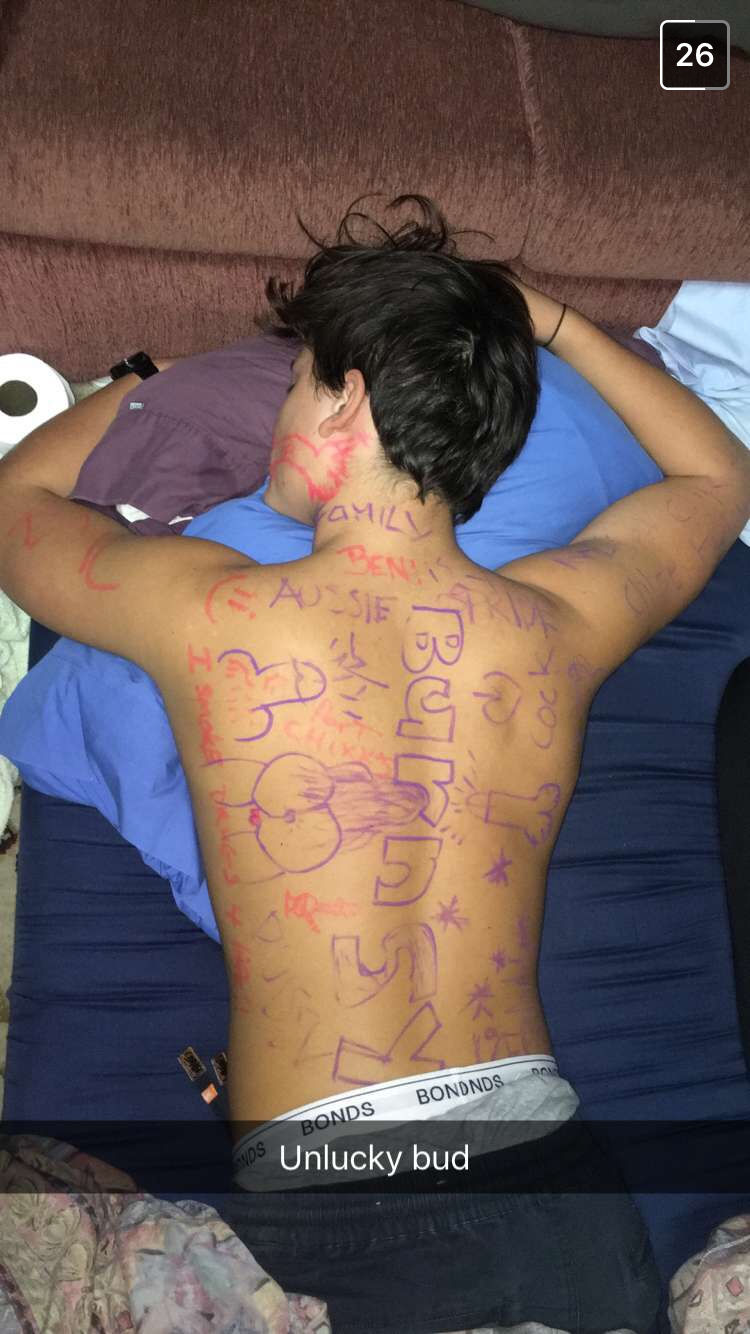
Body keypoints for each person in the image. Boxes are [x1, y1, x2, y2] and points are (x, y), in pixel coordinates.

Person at [1, 194, 748, 1334]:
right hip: (556, 1192)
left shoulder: (209, 610)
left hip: (338, 1196)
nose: (274, 413)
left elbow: (17, 500)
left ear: (345, 399)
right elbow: (717, 480)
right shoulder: (557, 624)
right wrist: (551, 320)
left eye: (293, 384)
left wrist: (150, 377)